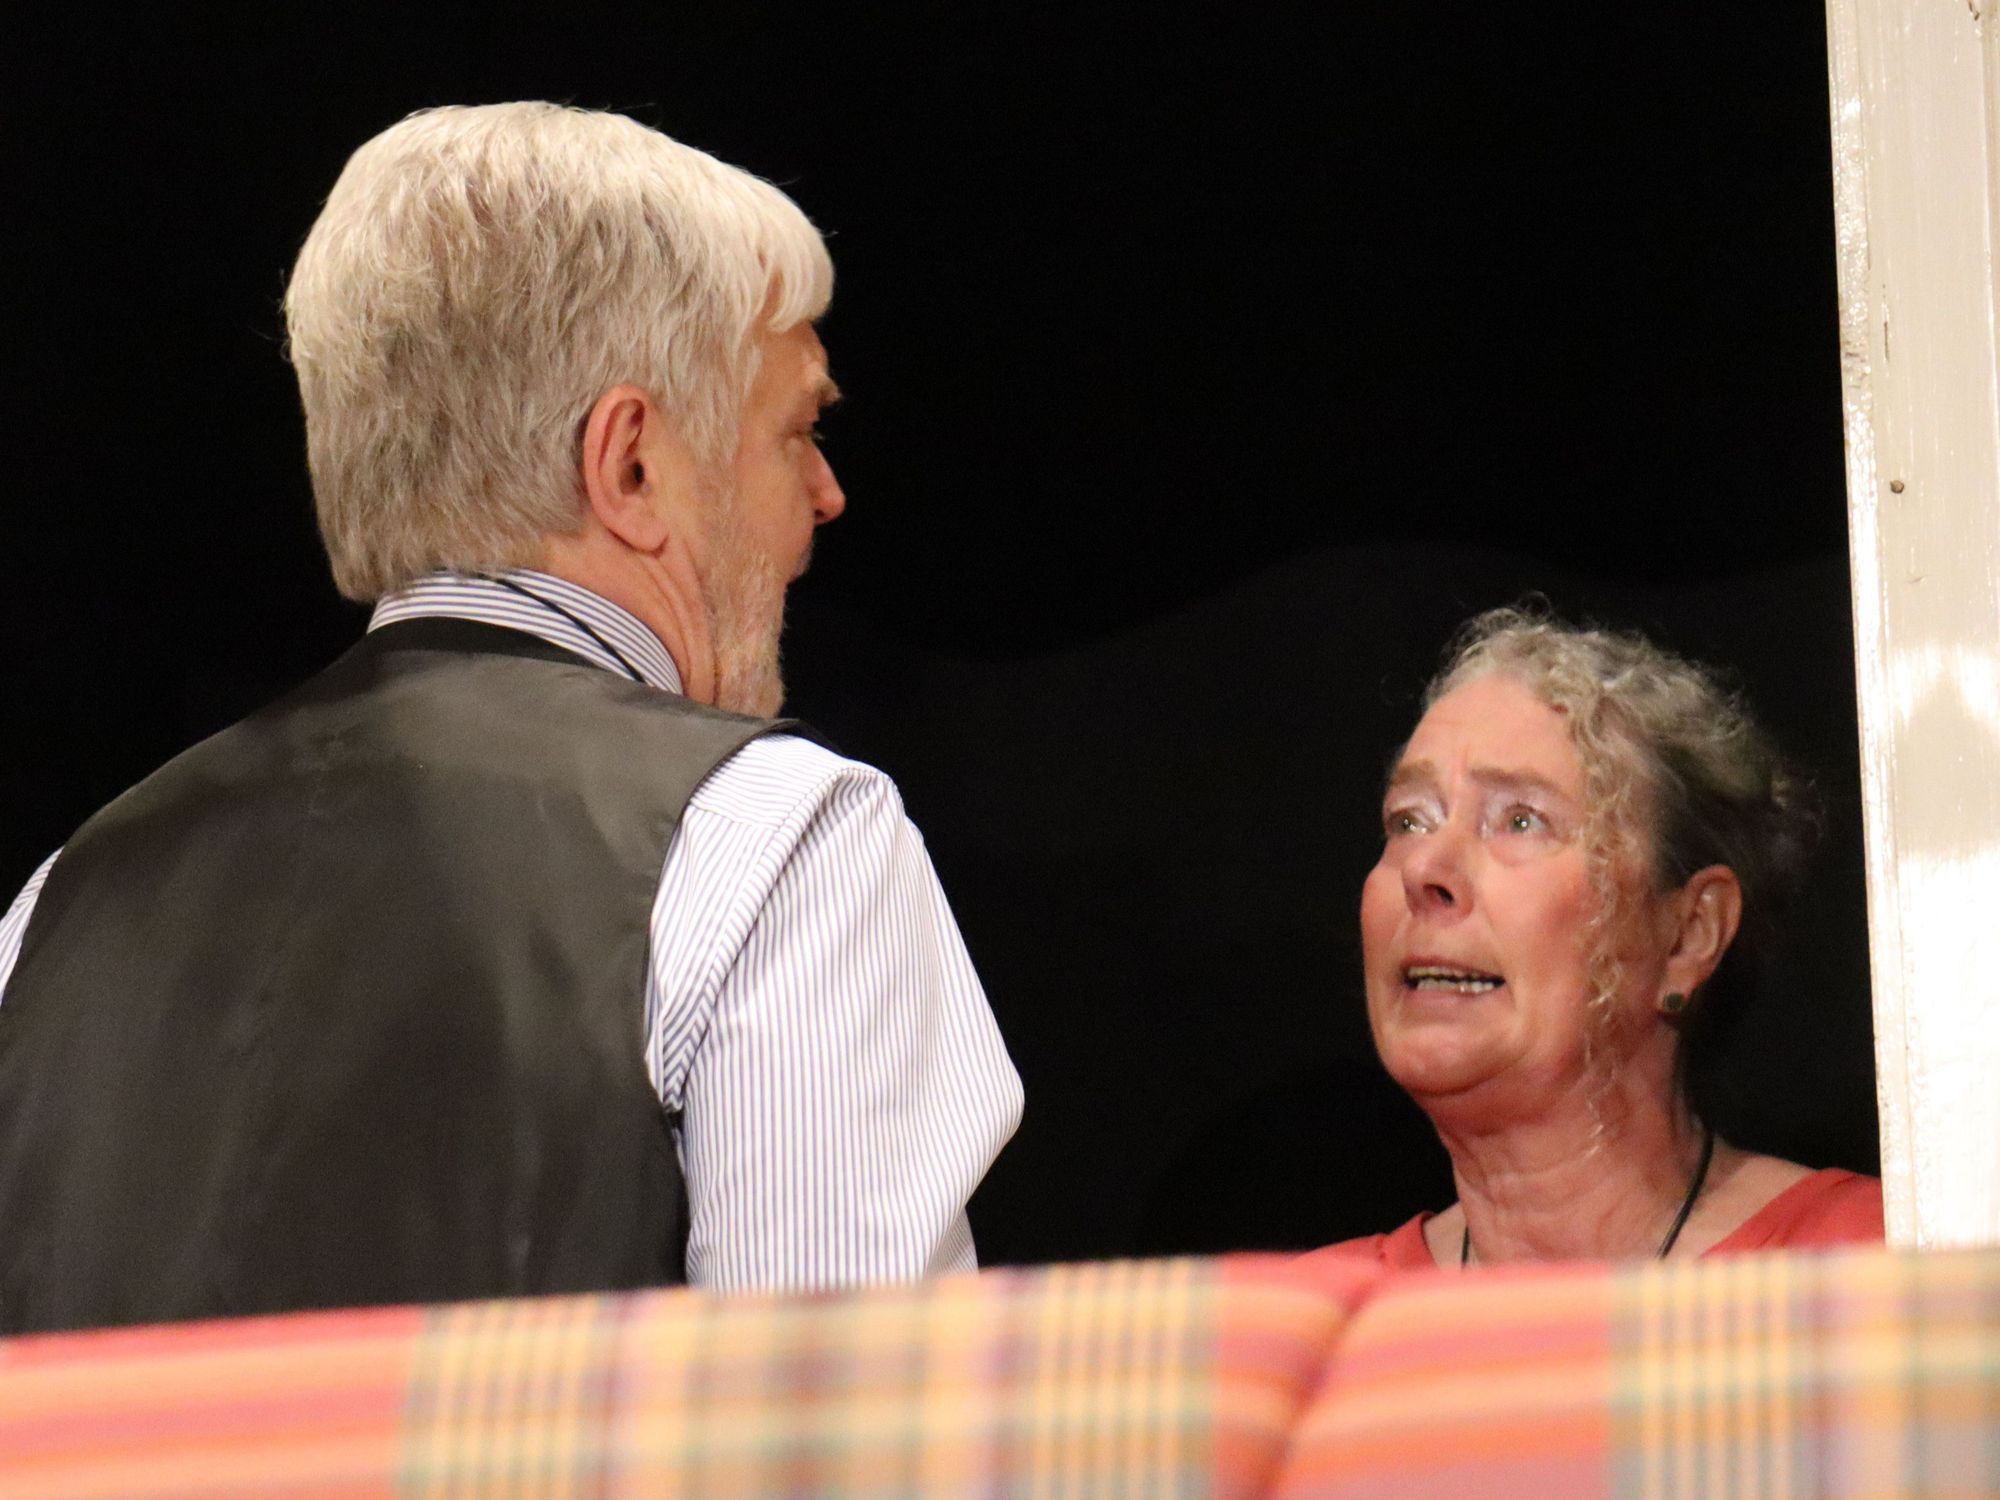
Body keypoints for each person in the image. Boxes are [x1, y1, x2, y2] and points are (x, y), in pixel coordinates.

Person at [0, 103, 1022, 1333]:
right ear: (630, 464)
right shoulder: (779, 843)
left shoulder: (53, 909)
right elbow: (842, 1417)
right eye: (795, 429)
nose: (824, 492)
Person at [1314, 608, 1881, 1270]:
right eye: (1409, 820)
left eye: (1521, 820)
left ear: (1688, 936)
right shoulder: (1307, 1316)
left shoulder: (1876, 1268)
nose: (1422, 869)